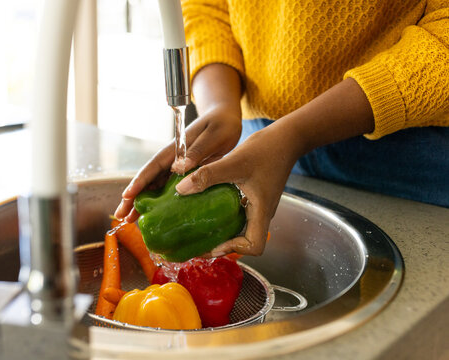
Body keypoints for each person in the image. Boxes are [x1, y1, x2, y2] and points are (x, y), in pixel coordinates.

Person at [115, 0, 449, 257]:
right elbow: (208, 7)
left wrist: (293, 134)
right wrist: (221, 106)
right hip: (258, 139)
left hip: (411, 153)